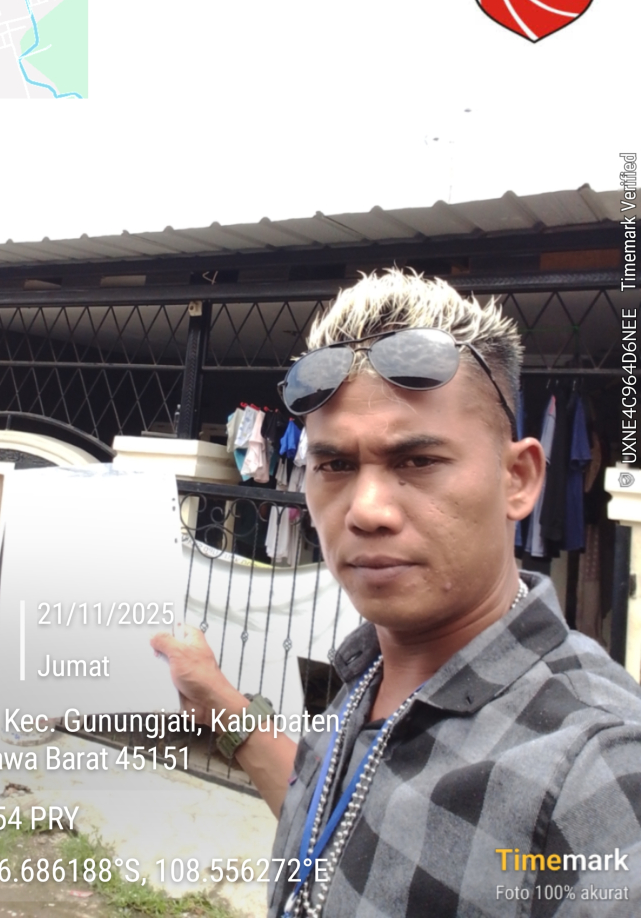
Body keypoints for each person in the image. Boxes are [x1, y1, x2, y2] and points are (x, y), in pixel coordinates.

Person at [151, 269, 641, 917]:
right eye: (335, 465)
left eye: (417, 461)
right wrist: (222, 706)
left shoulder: (598, 769)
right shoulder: (370, 669)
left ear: (519, 479)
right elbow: (340, 828)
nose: (367, 510)